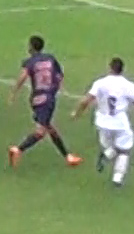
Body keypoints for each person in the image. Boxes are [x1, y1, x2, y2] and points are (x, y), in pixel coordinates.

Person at [8, 35, 81, 169]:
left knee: (49, 127)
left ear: (31, 47)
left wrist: (14, 92)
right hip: (47, 100)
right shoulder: (50, 58)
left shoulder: (30, 62)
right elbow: (59, 76)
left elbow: (23, 77)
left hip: (36, 99)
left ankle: (68, 157)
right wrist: (55, 88)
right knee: (41, 131)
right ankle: (18, 149)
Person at [73, 57, 134, 189]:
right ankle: (117, 177)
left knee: (111, 146)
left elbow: (85, 101)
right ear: (122, 70)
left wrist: (76, 114)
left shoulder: (100, 83)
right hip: (119, 123)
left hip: (102, 122)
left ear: (110, 68)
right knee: (124, 150)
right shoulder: (128, 85)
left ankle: (107, 153)